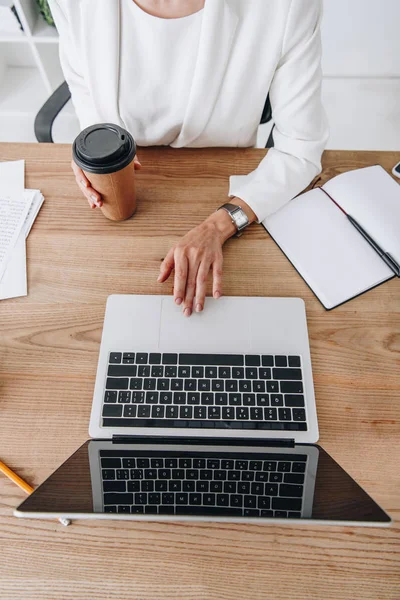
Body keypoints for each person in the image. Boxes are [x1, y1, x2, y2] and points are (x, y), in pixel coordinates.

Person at [49, 0, 329, 316]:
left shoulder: (287, 7)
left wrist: (219, 226)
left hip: (225, 186)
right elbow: (89, 104)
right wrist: (92, 152)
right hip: (128, 204)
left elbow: (301, 148)